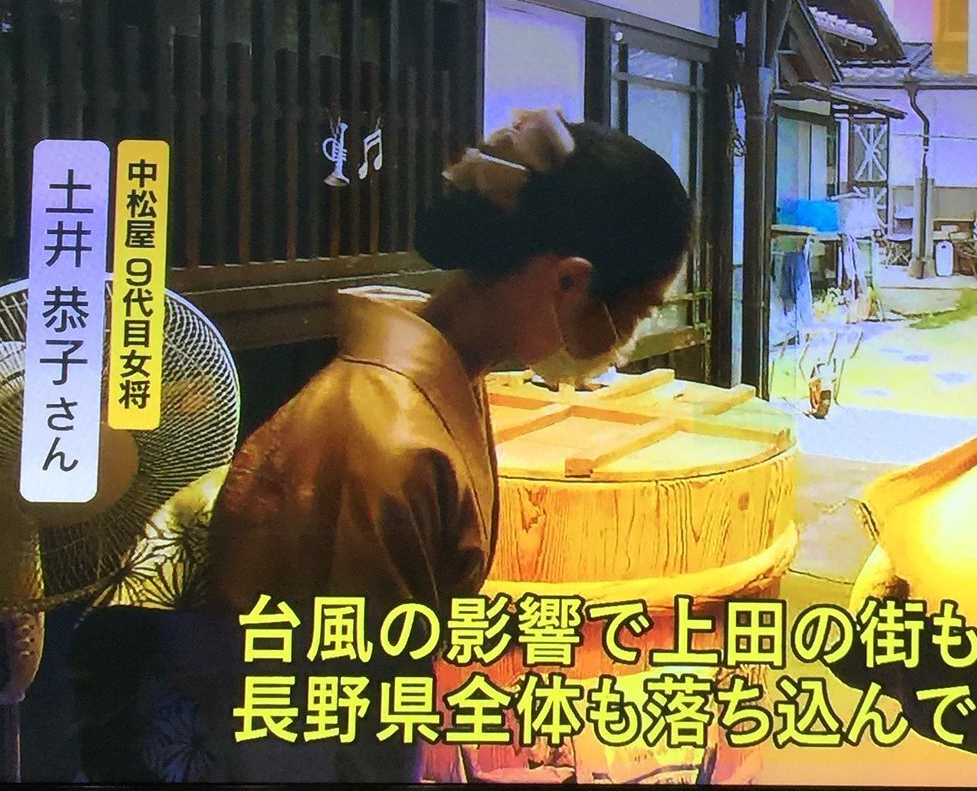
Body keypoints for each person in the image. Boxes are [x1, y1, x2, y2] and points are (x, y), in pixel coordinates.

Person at [203, 109, 693, 782]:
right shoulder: (383, 441)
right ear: (568, 282)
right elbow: (342, 727)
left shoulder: (443, 381)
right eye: (632, 312)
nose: (627, 340)